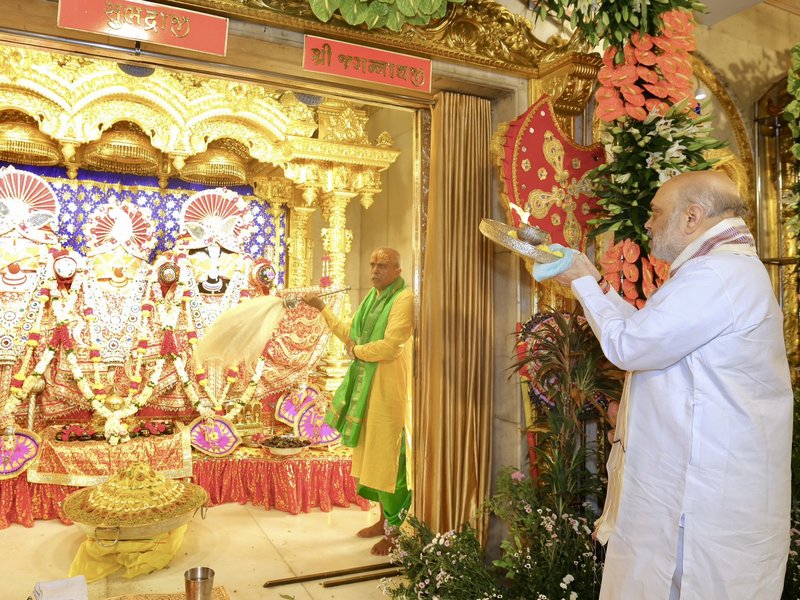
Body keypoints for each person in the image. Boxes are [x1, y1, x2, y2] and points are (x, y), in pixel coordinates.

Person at [550, 170, 792, 599]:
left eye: (656, 213)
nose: (647, 224)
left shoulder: (717, 275)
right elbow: (649, 333)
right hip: (695, 487)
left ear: (692, 217)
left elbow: (632, 347)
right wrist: (591, 279)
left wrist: (584, 285)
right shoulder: (718, 270)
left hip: (704, 498)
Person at [303, 247, 413, 556]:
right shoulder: (372, 299)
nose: (375, 270)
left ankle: (396, 531)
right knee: (370, 454)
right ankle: (382, 521)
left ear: (398, 271)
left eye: (382, 266)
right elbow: (351, 334)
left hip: (389, 390)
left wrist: (356, 352)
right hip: (368, 388)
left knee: (388, 458)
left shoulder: (404, 299)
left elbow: (391, 347)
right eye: (372, 264)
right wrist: (322, 308)